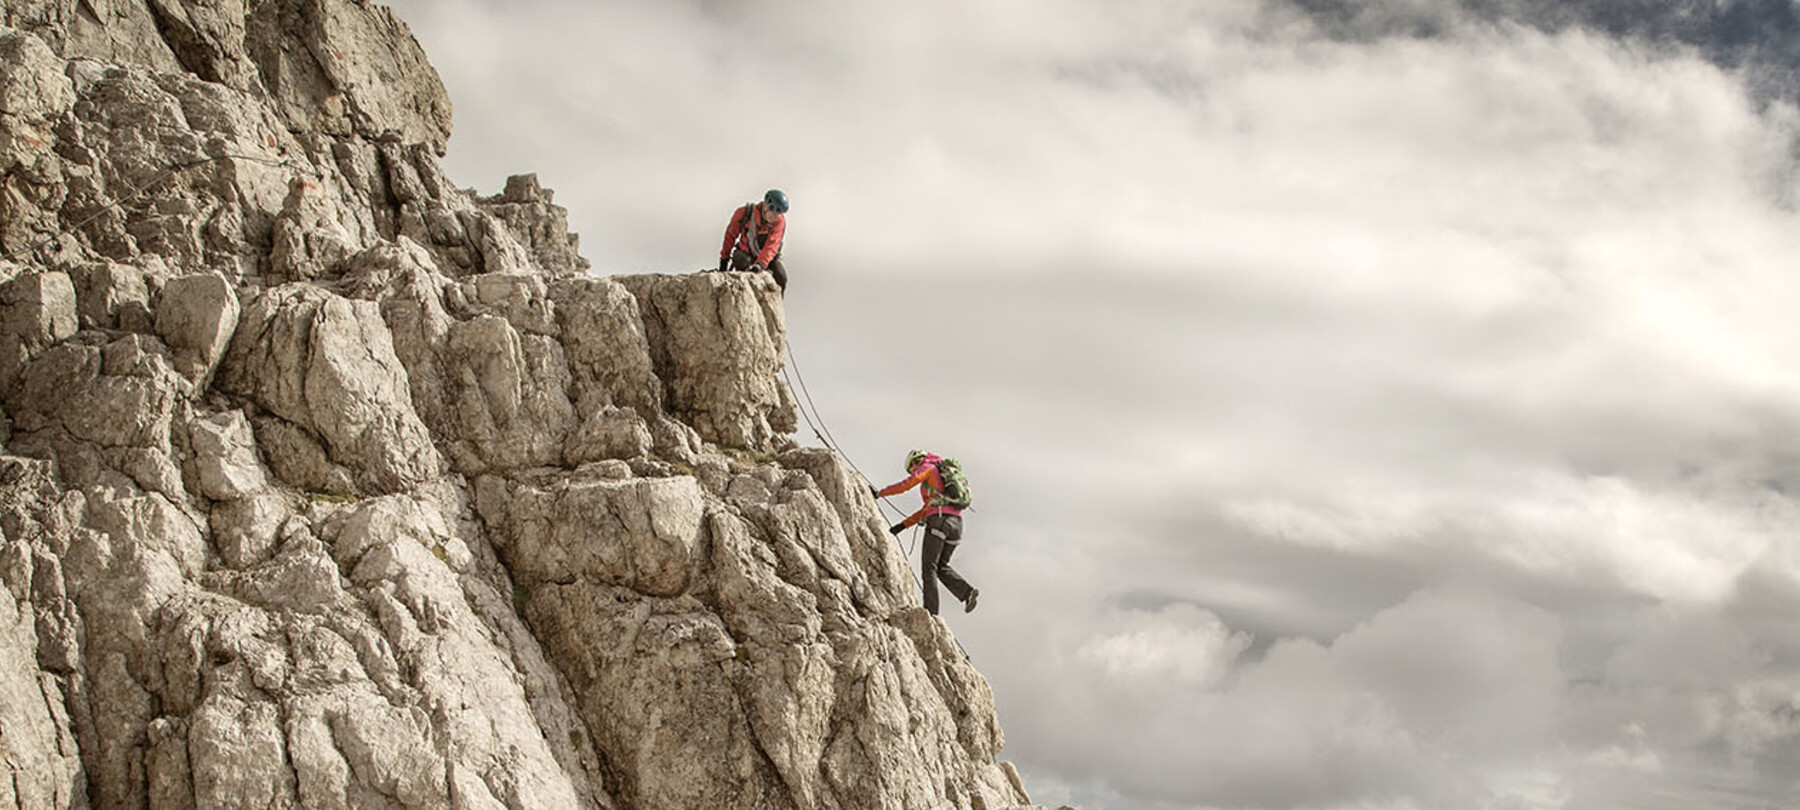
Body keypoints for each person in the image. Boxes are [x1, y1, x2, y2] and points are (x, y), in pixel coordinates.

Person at [872, 450, 979, 615]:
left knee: (929, 568)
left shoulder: (927, 467)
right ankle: (967, 592)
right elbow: (928, 509)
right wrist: (902, 526)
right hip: (957, 525)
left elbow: (906, 485)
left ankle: (931, 613)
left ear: (915, 462)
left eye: (911, 469)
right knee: (941, 566)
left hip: (940, 522)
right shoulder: (942, 478)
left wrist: (880, 493)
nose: (912, 472)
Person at [718, 189, 790, 293]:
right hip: (746, 254)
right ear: (765, 206)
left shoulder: (779, 222)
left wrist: (761, 265)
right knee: (740, 260)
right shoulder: (744, 213)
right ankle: (741, 293)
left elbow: (772, 245)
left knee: (781, 277)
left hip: (767, 259)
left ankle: (774, 301)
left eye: (778, 214)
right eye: (773, 212)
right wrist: (724, 261)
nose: (774, 217)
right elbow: (730, 236)